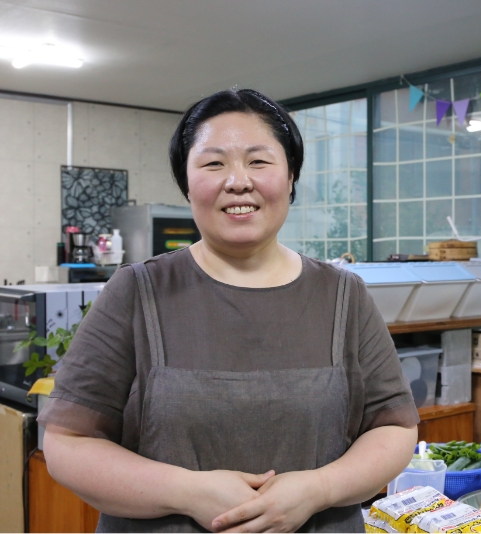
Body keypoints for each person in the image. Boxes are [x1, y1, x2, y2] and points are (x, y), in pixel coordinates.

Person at [38, 88, 419, 533]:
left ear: (291, 175)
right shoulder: (137, 291)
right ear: (186, 182)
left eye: (259, 161)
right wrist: (187, 491)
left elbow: (393, 430)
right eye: (213, 163)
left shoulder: (343, 295)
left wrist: (320, 488)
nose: (238, 181)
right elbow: (69, 442)